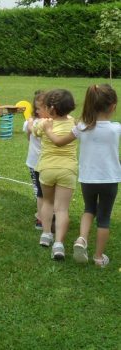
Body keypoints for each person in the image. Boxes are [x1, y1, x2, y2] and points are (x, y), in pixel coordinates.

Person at [44, 84, 120, 267]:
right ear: (113, 107)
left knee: (89, 209)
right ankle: (98, 257)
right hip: (109, 179)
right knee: (104, 217)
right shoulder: (116, 128)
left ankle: (81, 239)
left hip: (87, 179)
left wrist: (48, 130)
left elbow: (59, 142)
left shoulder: (81, 127)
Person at [32, 89, 77, 260]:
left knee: (48, 202)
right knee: (62, 208)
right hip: (68, 170)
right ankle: (59, 243)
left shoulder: (44, 124)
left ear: (50, 108)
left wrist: (33, 124)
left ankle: (45, 234)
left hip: (47, 169)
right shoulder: (74, 123)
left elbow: (33, 131)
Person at [24, 91, 46, 230]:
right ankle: (43, 215)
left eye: (40, 108)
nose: (38, 111)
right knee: (42, 191)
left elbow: (29, 135)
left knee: (41, 191)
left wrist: (31, 124)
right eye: (36, 108)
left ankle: (42, 216)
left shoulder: (33, 123)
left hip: (43, 163)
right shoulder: (55, 123)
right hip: (36, 162)